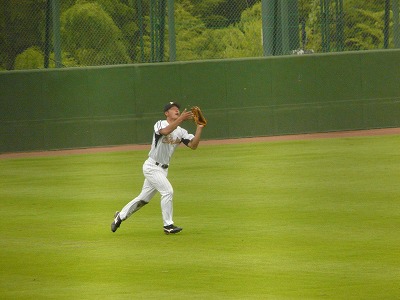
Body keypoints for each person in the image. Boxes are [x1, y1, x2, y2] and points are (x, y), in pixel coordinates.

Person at [111, 102, 205, 234]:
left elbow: (193, 145)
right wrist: (181, 119)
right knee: (168, 191)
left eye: (178, 109)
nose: (177, 111)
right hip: (151, 166)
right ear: (166, 113)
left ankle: (119, 216)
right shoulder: (160, 124)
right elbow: (165, 132)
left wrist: (200, 127)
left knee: (143, 199)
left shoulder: (181, 132)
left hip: (163, 170)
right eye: (173, 109)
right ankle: (168, 225)